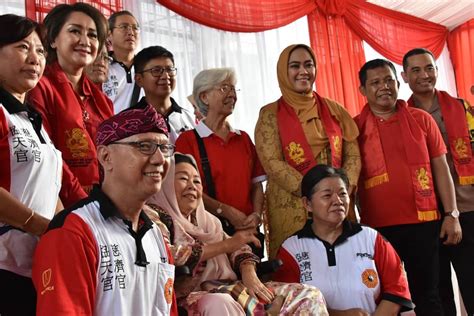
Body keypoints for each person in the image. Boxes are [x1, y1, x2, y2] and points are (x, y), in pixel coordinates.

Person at [32, 105, 178, 315]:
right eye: (144, 146)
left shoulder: (157, 237)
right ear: (106, 157)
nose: (159, 159)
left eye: (165, 148)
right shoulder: (74, 232)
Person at [147, 153, 328, 315]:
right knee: (219, 303)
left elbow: (240, 247)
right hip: (190, 297)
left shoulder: (209, 221)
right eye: (183, 179)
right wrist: (227, 245)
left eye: (196, 181)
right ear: (165, 184)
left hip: (232, 287)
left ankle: (262, 309)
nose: (192, 186)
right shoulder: (154, 216)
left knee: (308, 295)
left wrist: (249, 272)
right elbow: (168, 254)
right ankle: (264, 311)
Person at [355, 58, 462, 315]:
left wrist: (451, 214)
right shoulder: (355, 127)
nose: (384, 87)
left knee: (428, 293)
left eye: (389, 80)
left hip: (423, 223)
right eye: (376, 82)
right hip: (376, 229)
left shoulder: (422, 120)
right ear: (363, 90)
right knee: (386, 298)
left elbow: (441, 170)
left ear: (399, 82)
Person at [254, 44, 361, 259]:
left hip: (336, 201)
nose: (303, 71)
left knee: (343, 262)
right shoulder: (270, 114)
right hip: (293, 203)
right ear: (284, 72)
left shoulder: (335, 109)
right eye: (295, 66)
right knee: (299, 268)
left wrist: (341, 189)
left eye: (308, 65)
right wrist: (311, 192)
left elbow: (353, 154)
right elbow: (272, 161)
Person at [274, 165, 414, 315]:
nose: (338, 201)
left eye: (342, 194)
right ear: (307, 204)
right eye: (327, 196)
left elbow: (397, 290)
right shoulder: (292, 248)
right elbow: (287, 304)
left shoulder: (371, 238)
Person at [402, 48, 474, 316]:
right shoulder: (402, 116)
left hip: (467, 207)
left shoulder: (461, 107)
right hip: (427, 214)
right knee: (436, 289)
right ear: (404, 77)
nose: (424, 75)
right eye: (416, 70)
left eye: (429, 68)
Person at [0, 14, 62, 316]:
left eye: (40, 50)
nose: (35, 58)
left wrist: (64, 230)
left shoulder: (31, 119)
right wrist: (38, 225)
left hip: (37, 262)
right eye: (23, 47)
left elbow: (49, 187)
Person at [28, 3, 114, 207]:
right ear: (53, 39)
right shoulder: (40, 87)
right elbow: (48, 157)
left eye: (93, 35)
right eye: (75, 31)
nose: (85, 41)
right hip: (59, 202)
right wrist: (86, 205)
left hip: (104, 200)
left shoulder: (102, 100)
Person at [175, 68, 266, 257]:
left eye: (234, 89)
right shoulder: (188, 140)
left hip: (248, 234)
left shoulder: (244, 139)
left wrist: (256, 216)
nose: (232, 94)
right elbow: (186, 190)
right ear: (204, 96)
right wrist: (225, 211)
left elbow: (257, 185)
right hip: (209, 234)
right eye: (224, 88)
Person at [133, 45, 195, 143]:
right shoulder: (128, 121)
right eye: (156, 71)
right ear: (139, 79)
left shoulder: (190, 118)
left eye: (170, 70)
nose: (165, 76)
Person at [102, 10, 143, 113]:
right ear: (109, 34)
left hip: (145, 128)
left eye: (135, 28)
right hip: (109, 128)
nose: (131, 32)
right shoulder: (101, 67)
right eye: (124, 27)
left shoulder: (148, 67)